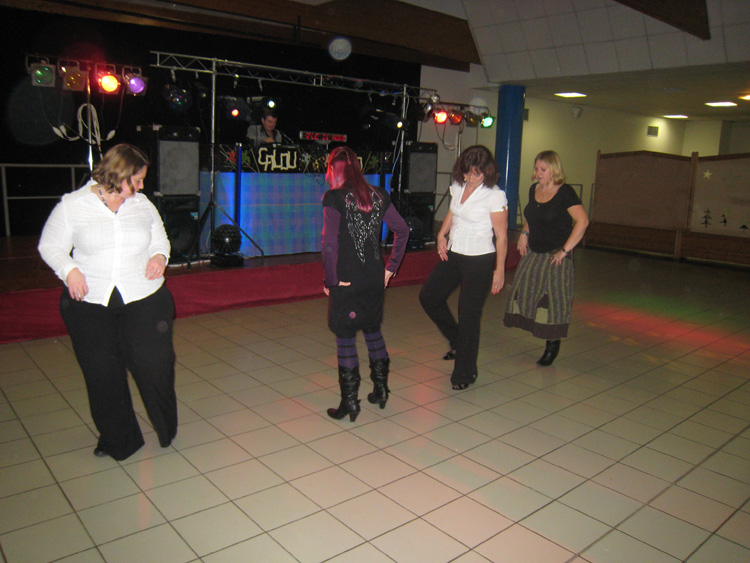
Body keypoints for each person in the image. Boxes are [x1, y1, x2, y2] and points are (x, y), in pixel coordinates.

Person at [38, 143, 178, 461]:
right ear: (118, 174)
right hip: (89, 299)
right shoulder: (74, 205)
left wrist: (159, 256)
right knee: (102, 372)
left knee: (155, 365)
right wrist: (70, 270)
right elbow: (50, 245)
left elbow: (161, 240)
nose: (141, 186)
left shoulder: (142, 205)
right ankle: (118, 438)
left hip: (143, 295)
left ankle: (165, 427)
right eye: (137, 180)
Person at [322, 146, 409, 422]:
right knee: (372, 330)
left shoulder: (334, 197)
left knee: (345, 337)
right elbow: (403, 230)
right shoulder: (378, 194)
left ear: (334, 170)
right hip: (373, 277)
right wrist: (390, 268)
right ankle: (380, 391)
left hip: (346, 278)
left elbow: (329, 244)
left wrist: (330, 279)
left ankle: (350, 403)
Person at [419, 145, 508, 390]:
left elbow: (501, 236)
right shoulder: (458, 186)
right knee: (429, 297)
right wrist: (441, 234)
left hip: (480, 259)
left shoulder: (494, 195)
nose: (471, 178)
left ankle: (464, 373)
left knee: (469, 315)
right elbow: (453, 212)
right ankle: (457, 340)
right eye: (467, 172)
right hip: (454, 253)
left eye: (477, 174)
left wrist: (499, 270)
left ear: (487, 172)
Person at [503, 150, 589, 366]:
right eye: (536, 169)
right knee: (526, 291)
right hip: (535, 251)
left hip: (556, 254)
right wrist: (524, 233)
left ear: (554, 169)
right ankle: (537, 327)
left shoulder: (565, 192)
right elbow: (533, 216)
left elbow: (582, 222)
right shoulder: (534, 189)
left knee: (553, 300)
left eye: (543, 169)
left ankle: (552, 343)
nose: (538, 173)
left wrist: (565, 250)